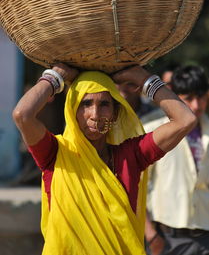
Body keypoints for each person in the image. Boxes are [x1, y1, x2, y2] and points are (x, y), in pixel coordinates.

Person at [12, 63, 196, 255]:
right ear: (72, 110)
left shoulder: (130, 156)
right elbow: (22, 115)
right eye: (86, 104)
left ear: (115, 113)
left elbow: (185, 120)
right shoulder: (55, 153)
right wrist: (55, 76)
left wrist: (145, 80)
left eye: (104, 104)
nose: (95, 115)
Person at [143, 65, 209, 255]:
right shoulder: (153, 131)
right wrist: (151, 236)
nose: (196, 106)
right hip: (168, 237)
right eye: (188, 99)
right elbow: (134, 186)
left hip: (205, 234)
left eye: (201, 97)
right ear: (174, 96)